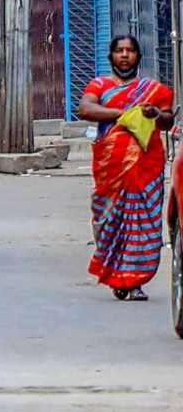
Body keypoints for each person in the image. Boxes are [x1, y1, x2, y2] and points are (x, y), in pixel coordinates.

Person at [78, 36, 175, 302]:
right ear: (111, 56)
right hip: (110, 165)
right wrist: (122, 113)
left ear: (138, 56)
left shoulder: (154, 89)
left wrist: (153, 113)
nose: (124, 55)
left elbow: (167, 120)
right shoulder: (99, 85)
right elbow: (86, 108)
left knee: (141, 223)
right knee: (107, 219)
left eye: (130, 51)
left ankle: (133, 281)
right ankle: (116, 272)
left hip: (146, 164)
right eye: (119, 51)